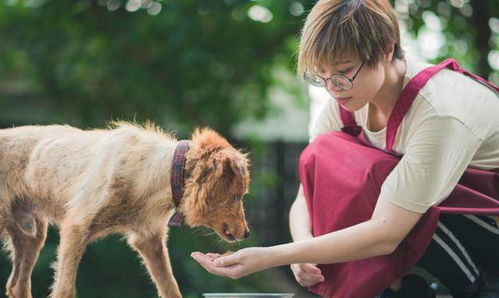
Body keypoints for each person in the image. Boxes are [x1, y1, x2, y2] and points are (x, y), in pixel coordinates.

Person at [191, 0, 499, 297]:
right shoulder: (345, 104)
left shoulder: (438, 112)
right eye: (320, 74)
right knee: (325, 155)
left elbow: (387, 230)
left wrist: (270, 256)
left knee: (390, 187)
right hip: (445, 221)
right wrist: (302, 247)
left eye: (343, 71)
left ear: (385, 50)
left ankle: (480, 287)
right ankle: (402, 287)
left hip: (487, 226)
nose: (331, 87)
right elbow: (308, 193)